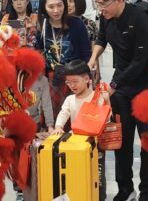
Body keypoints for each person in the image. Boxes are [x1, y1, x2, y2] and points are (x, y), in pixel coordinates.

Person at [88, 0, 148, 201]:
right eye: (97, 4)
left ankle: (147, 191)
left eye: (103, 4)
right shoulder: (106, 17)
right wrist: (92, 59)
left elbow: (140, 60)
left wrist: (114, 85)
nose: (100, 9)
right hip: (122, 89)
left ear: (119, 0)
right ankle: (125, 189)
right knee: (121, 141)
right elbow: (101, 38)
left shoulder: (140, 19)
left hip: (145, 86)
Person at [35, 0, 91, 126]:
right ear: (44, 8)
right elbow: (39, 51)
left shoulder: (76, 24)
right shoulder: (42, 26)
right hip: (52, 81)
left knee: (78, 119)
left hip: (75, 78)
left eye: (60, 5)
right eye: (51, 6)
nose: (56, 10)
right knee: (54, 121)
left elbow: (86, 53)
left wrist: (84, 77)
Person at [52, 59, 107, 201]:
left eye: (75, 81)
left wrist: (107, 102)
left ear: (87, 79)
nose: (71, 85)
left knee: (97, 175)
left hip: (95, 145)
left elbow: (107, 118)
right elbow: (63, 113)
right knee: (76, 174)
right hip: (75, 144)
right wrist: (58, 126)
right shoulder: (70, 99)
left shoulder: (97, 96)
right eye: (68, 82)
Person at [65, 0, 101, 84]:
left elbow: (94, 50)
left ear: (78, 2)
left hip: (85, 66)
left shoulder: (89, 24)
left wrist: (97, 70)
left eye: (71, 1)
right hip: (68, 69)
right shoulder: (62, 24)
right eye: (65, 1)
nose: (67, 4)